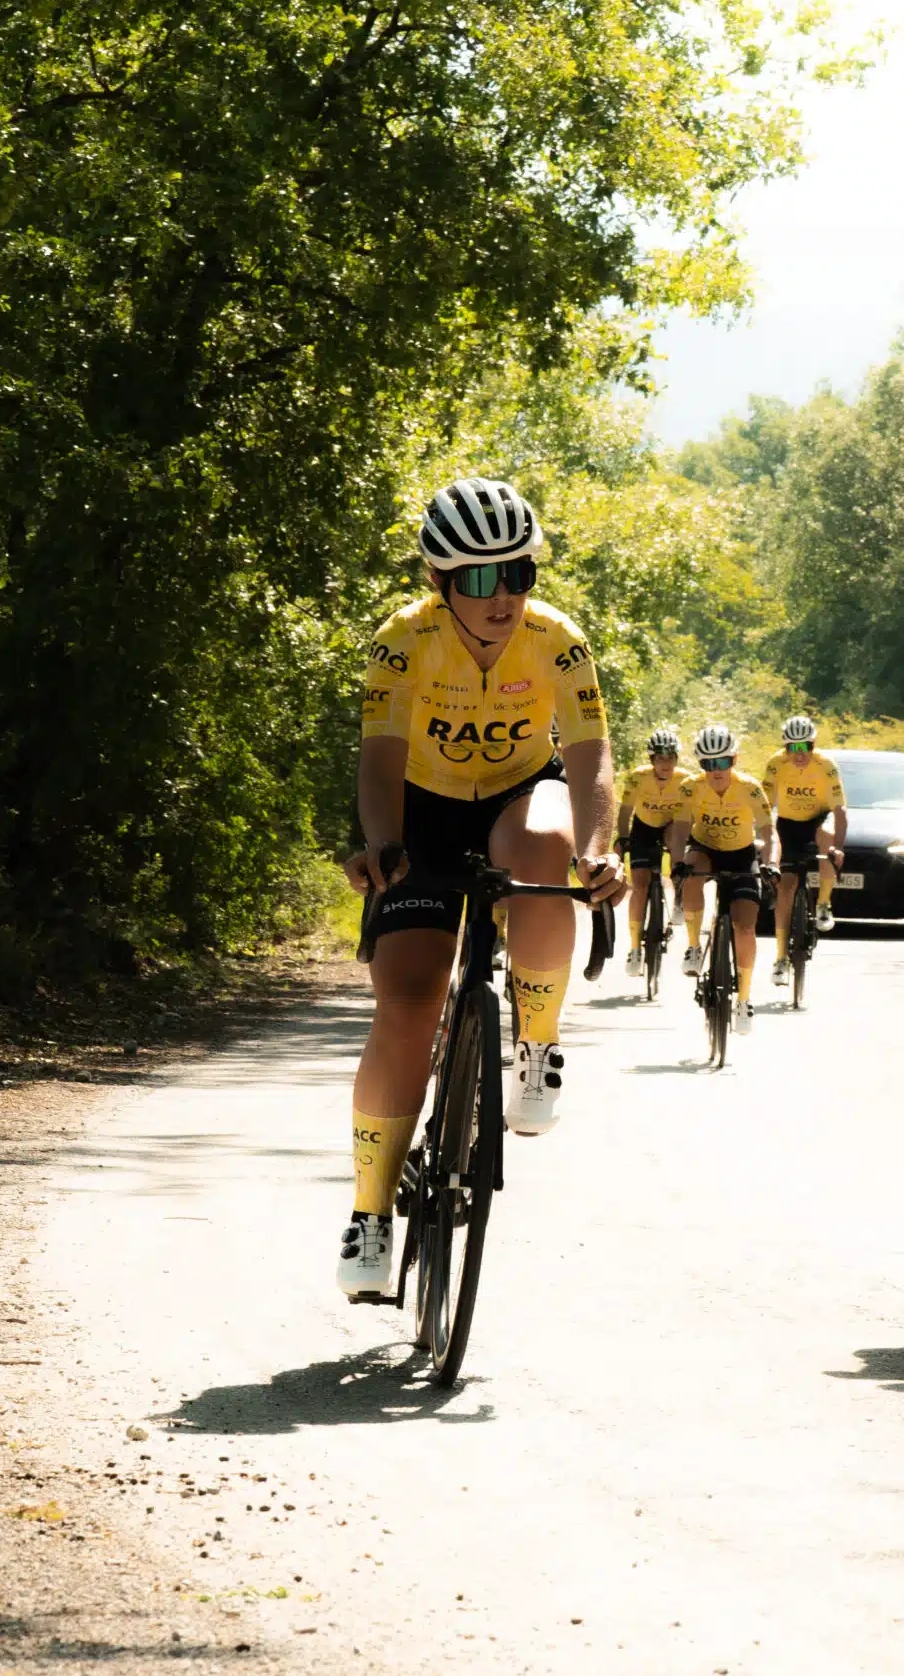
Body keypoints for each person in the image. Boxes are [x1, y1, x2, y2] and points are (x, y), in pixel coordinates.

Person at [337, 477, 623, 1299]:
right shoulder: (404, 640)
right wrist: (383, 845)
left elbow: (591, 755)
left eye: (518, 574)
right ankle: (370, 1213)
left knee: (542, 848)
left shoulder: (558, 640)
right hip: (421, 810)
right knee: (407, 1002)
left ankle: (537, 1043)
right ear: (440, 581)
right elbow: (381, 758)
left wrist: (597, 849)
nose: (502, 596)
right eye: (478, 578)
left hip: (517, 794)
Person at [676, 722, 775, 1027]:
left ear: (734, 759)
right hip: (705, 847)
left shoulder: (750, 788)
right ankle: (694, 947)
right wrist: (677, 861)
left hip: (741, 854)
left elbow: (769, 832)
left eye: (722, 762)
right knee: (691, 872)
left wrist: (771, 862)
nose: (716, 770)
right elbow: (680, 827)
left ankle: (743, 1001)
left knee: (744, 928)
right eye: (708, 764)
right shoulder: (690, 787)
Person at [761, 713, 848, 983]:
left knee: (826, 836)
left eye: (805, 746)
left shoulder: (826, 765)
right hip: (788, 824)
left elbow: (839, 809)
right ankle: (781, 958)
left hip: (819, 818)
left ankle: (823, 903)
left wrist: (838, 849)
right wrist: (765, 841)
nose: (799, 753)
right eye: (793, 747)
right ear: (785, 747)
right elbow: (765, 807)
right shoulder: (776, 764)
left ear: (813, 745)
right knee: (786, 888)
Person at [620, 727, 696, 970]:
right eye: (661, 758)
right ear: (652, 760)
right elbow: (625, 812)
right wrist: (622, 839)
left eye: (671, 758)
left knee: (675, 837)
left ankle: (678, 898)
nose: (666, 764)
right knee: (639, 886)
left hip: (671, 826)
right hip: (643, 827)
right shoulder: (638, 777)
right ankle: (634, 949)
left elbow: (691, 815)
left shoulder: (686, 780)